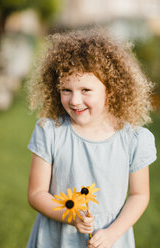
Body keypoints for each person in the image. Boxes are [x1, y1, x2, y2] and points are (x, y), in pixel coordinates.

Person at [26, 28, 157, 248]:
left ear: (111, 90)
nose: (75, 100)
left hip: (110, 238)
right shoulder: (49, 131)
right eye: (66, 89)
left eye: (86, 89)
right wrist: (71, 216)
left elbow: (139, 194)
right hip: (57, 238)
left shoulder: (134, 139)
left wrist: (112, 234)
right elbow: (36, 193)